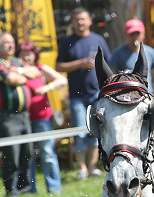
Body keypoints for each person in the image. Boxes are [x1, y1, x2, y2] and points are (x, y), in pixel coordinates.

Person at [56, 7, 111, 180]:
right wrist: (79, 64)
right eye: (77, 19)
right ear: (72, 22)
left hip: (96, 93)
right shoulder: (67, 42)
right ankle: (81, 168)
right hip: (77, 97)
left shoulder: (98, 39)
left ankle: (93, 167)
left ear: (89, 21)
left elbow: (107, 64)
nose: (80, 22)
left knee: (95, 131)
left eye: (83, 19)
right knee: (80, 131)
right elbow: (59, 67)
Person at [0, 32, 38, 196]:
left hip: (24, 115)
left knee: (27, 153)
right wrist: (21, 75)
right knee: (12, 155)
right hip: (7, 117)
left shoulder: (16, 62)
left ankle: (26, 189)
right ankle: (12, 191)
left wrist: (18, 71)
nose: (11, 45)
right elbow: (11, 80)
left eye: (12, 42)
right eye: (6, 42)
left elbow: (35, 72)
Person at [18, 41, 66, 195]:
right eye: (23, 54)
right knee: (28, 156)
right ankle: (30, 190)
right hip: (23, 118)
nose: (26, 57)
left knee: (47, 153)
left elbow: (62, 80)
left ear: (35, 55)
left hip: (42, 118)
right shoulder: (16, 71)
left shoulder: (40, 69)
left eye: (29, 53)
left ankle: (54, 189)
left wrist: (46, 88)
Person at [111, 19, 154, 97]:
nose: (135, 37)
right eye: (132, 34)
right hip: (126, 97)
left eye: (137, 33)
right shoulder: (118, 53)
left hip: (147, 96)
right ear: (125, 35)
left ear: (143, 34)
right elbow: (111, 77)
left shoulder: (150, 52)